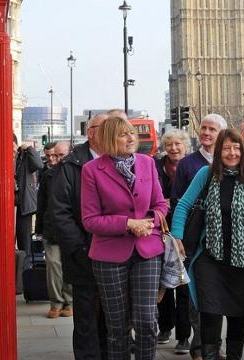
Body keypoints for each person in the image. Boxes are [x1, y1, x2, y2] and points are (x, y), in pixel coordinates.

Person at [171, 129, 244, 360]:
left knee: (236, 319)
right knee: (210, 315)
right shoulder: (206, 174)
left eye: (236, 148)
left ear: (243, 152)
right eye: (226, 148)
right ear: (218, 151)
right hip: (209, 260)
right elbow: (183, 205)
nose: (231, 152)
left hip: (241, 263)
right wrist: (176, 236)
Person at [81, 116, 168, 360]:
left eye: (132, 133)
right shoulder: (92, 170)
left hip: (147, 250)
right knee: (117, 327)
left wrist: (150, 220)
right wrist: (128, 224)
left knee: (147, 322)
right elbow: (90, 220)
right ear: (110, 139)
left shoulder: (147, 163)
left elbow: (160, 204)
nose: (131, 138)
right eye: (123, 134)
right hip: (109, 255)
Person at [51, 113, 108, 360]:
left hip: (114, 253)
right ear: (91, 132)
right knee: (86, 315)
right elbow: (60, 211)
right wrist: (80, 248)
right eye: (103, 127)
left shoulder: (119, 160)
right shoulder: (71, 164)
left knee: (113, 317)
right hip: (83, 253)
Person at [170, 113, 227, 358]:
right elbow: (177, 201)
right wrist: (178, 236)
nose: (206, 133)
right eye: (203, 128)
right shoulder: (188, 164)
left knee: (218, 295)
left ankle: (213, 344)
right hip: (194, 239)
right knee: (195, 295)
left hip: (222, 238)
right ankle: (199, 345)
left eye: (212, 129)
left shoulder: (229, 160)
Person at [154, 129, 190, 346]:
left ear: (185, 146)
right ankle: (165, 327)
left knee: (183, 284)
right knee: (163, 283)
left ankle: (184, 336)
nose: (174, 148)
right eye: (169, 144)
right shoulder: (156, 166)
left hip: (184, 230)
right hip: (161, 230)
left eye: (178, 144)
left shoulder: (191, 167)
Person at [36, 141, 73, 318]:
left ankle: (69, 302)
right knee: (53, 266)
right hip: (51, 228)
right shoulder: (47, 175)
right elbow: (41, 202)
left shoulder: (77, 173)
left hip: (71, 229)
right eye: (51, 156)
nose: (54, 159)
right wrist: (39, 229)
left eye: (60, 155)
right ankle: (56, 303)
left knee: (69, 266)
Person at [14, 134, 42, 256]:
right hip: (8, 203)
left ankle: (24, 268)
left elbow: (38, 164)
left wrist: (29, 148)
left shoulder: (24, 156)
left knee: (23, 240)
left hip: (24, 203)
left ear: (15, 144)